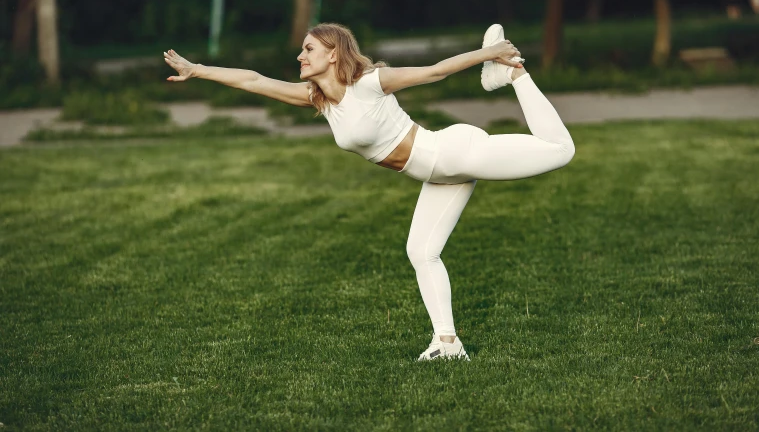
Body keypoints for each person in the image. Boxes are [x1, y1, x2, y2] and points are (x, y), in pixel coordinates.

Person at [163, 23, 575, 361]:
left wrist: (489, 55)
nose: (300, 57)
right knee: (421, 252)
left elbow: (433, 71)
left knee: (560, 150)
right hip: (439, 174)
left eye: (308, 49)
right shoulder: (319, 99)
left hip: (454, 152)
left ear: (333, 54)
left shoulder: (370, 83)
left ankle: (514, 73)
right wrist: (198, 69)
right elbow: (253, 80)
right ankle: (448, 345)